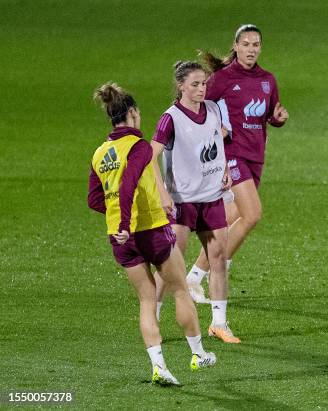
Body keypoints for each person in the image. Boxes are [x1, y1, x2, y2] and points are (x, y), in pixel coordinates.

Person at [88, 83, 216, 386]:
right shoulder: (140, 145)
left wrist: (117, 224)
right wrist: (126, 224)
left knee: (147, 300)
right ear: (132, 113)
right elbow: (129, 184)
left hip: (120, 239)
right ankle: (198, 354)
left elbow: (95, 199)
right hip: (149, 230)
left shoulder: (100, 153)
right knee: (180, 289)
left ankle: (159, 366)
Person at [183, 24, 289, 301]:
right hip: (232, 155)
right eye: (246, 44)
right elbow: (195, 104)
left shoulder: (268, 80)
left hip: (256, 156)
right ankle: (216, 267)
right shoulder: (223, 78)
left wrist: (278, 119)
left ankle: (193, 277)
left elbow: (270, 115)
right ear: (236, 46)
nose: (251, 49)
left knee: (232, 216)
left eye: (256, 44)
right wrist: (206, 132)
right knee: (252, 214)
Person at [152, 60, 240, 343]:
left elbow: (218, 142)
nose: (202, 89)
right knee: (171, 265)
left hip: (212, 197)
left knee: (218, 259)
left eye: (203, 83)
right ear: (181, 86)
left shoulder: (213, 109)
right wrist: (163, 193)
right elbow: (148, 157)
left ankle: (219, 323)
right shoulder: (171, 118)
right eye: (195, 84)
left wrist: (225, 168)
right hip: (182, 202)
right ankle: (151, 317)